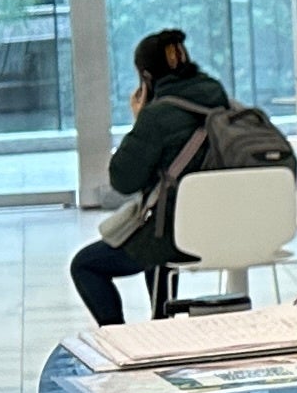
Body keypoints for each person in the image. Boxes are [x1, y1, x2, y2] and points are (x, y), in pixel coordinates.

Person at [70, 27, 232, 329]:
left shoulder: (156, 116)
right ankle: (162, 320)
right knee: (156, 236)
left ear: (146, 77)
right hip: (224, 228)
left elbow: (123, 180)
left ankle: (119, 339)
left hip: (174, 237)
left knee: (85, 266)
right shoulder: (218, 98)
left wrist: (139, 120)